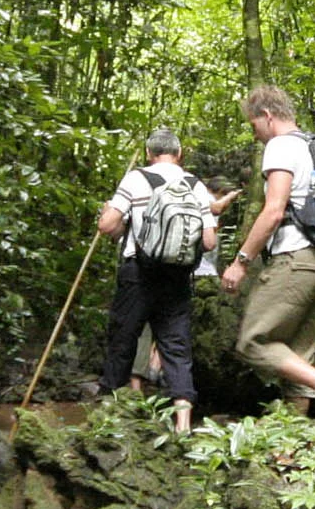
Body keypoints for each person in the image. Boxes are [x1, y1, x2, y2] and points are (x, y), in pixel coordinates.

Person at [220, 84, 315, 419]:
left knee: (252, 342)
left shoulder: (280, 146)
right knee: (297, 355)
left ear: (268, 115)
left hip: (294, 259)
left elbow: (274, 210)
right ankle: (293, 441)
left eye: (254, 125)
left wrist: (241, 261)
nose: (255, 134)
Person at [96, 129, 237, 433]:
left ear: (149, 153)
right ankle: (183, 421)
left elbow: (108, 226)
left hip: (138, 273)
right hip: (178, 277)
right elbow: (210, 242)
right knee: (176, 346)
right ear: (179, 153)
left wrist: (109, 212)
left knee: (123, 337)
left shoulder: (136, 179)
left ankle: (110, 411)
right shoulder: (195, 185)